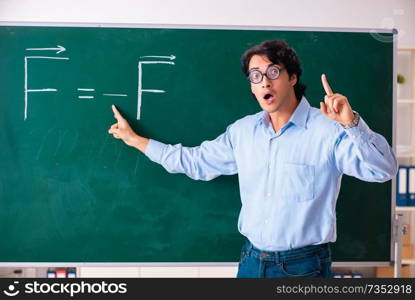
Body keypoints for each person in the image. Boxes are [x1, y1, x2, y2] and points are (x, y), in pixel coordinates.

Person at [108, 40, 398, 278]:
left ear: (292, 77)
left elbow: (384, 170)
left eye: (272, 72)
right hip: (250, 262)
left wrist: (351, 124)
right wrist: (136, 140)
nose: (264, 83)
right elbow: (196, 162)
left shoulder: (327, 129)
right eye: (255, 77)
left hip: (303, 267)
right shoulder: (243, 132)